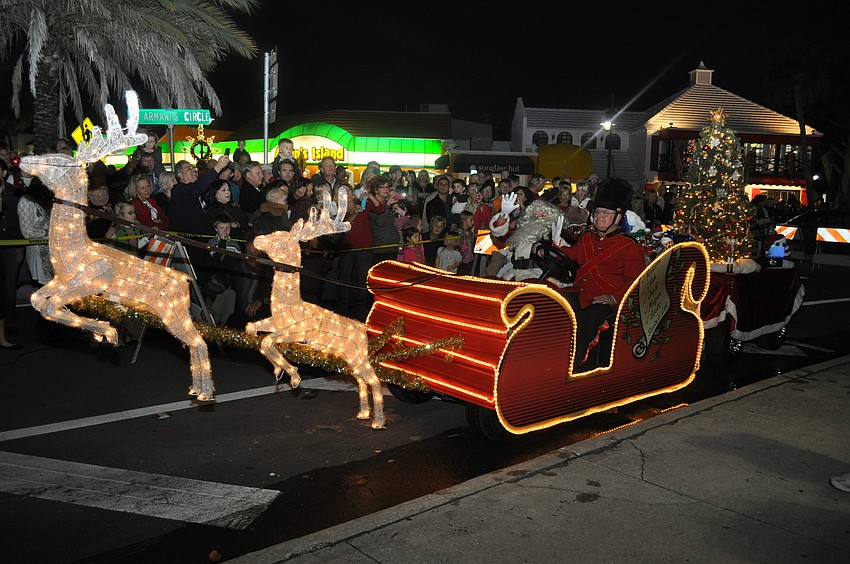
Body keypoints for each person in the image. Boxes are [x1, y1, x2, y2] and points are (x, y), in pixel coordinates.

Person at [549, 177, 646, 367]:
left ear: (618, 217)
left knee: (592, 317)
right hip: (580, 293)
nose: (599, 216)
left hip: (607, 301)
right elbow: (573, 255)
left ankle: (575, 366)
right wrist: (550, 247)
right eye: (597, 212)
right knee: (552, 304)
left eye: (605, 213)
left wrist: (613, 297)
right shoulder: (586, 237)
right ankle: (549, 357)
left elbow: (636, 281)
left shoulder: (629, 246)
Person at [17, 176, 53, 286]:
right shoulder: (26, 201)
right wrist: (47, 232)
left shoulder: (46, 200)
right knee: (44, 288)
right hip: (38, 251)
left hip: (51, 252)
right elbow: (27, 232)